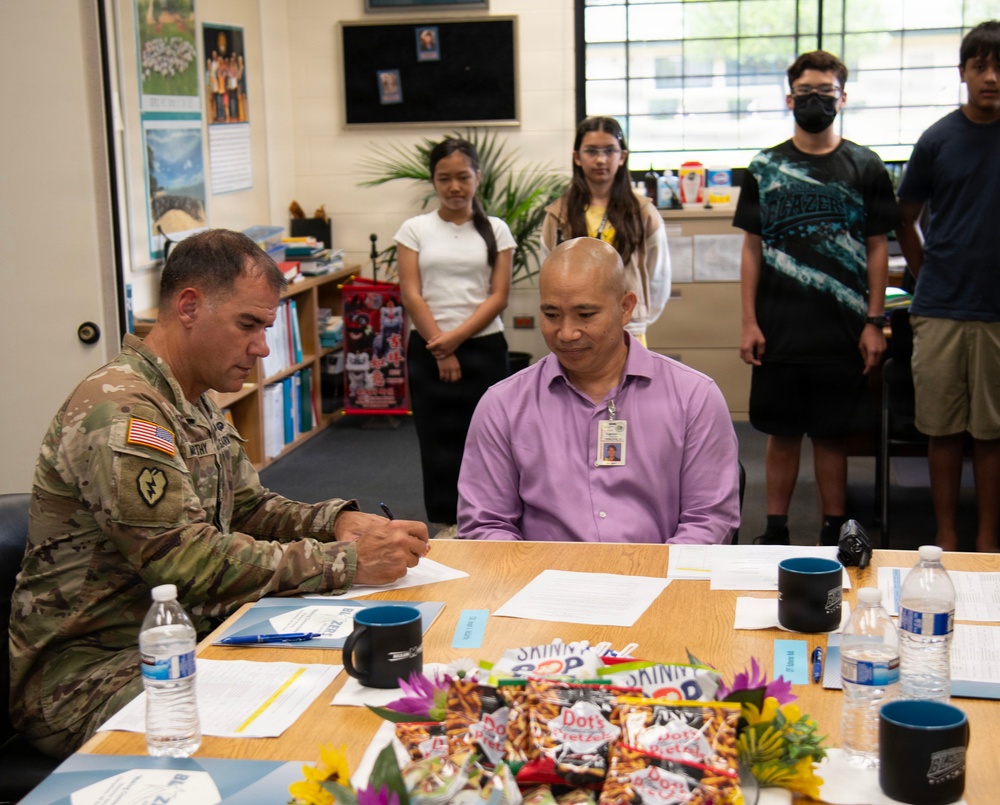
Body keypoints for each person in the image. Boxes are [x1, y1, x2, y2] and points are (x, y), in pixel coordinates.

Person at [9, 229, 430, 758]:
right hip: (91, 675)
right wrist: (346, 561)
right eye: (247, 325)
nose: (262, 347)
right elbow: (186, 562)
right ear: (189, 307)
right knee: (304, 724)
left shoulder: (192, 397)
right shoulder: (123, 410)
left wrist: (335, 523)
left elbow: (248, 507)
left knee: (335, 685)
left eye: (266, 328)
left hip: (185, 633)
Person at [457, 238, 739, 543]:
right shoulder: (503, 405)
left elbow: (709, 519)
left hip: (659, 569)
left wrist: (652, 571)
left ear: (626, 308)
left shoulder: (693, 397)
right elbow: (485, 523)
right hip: (543, 572)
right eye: (551, 315)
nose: (567, 333)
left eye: (585, 315)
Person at [735, 50, 899, 547]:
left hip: (842, 328)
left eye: (825, 93)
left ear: (842, 98)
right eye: (805, 92)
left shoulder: (865, 166)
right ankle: (775, 531)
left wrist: (874, 320)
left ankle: (833, 530)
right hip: (778, 327)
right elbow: (751, 248)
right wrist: (748, 321)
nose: (814, 101)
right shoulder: (765, 167)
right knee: (781, 433)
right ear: (789, 99)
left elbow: (877, 247)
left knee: (832, 436)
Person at [896, 21, 1000, 552]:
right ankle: (946, 534)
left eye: (998, 67)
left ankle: (986, 538)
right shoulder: (938, 139)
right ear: (963, 72)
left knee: (991, 432)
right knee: (942, 429)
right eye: (980, 66)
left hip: (996, 312)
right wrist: (926, 272)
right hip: (939, 306)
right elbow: (905, 217)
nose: (991, 77)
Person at [394, 138, 515, 535]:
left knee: (490, 438)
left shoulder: (497, 229)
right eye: (444, 179)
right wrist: (441, 348)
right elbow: (411, 294)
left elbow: (498, 296)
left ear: (478, 176)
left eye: (463, 177)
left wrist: (455, 341)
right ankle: (447, 523)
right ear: (433, 181)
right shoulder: (414, 229)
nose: (455, 187)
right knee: (437, 440)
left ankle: (491, 519)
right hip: (429, 348)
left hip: (484, 347)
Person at [540, 116, 671, 345]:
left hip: (628, 329)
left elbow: (658, 277)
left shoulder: (643, 213)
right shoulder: (558, 215)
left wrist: (638, 317)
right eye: (591, 151)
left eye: (609, 151)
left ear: (622, 156)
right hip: (573, 331)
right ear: (577, 157)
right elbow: (548, 276)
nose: (601, 159)